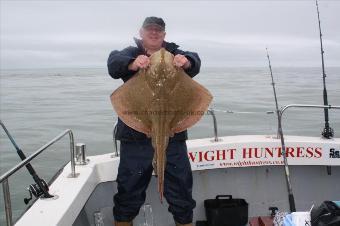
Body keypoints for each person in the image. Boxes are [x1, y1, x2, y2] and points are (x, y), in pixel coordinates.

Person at [107, 16, 201, 226]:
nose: (154, 33)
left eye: (158, 30)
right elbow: (113, 64)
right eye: (149, 29)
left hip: (172, 133)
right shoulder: (130, 53)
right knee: (128, 192)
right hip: (135, 136)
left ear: (164, 35)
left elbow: (195, 61)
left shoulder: (176, 53)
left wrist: (186, 61)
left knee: (181, 192)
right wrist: (132, 64)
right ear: (141, 33)